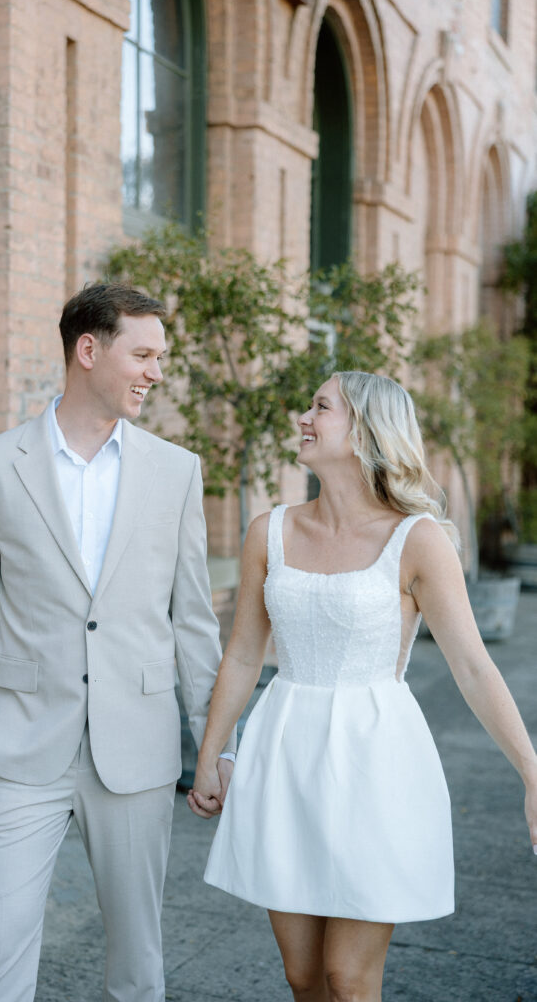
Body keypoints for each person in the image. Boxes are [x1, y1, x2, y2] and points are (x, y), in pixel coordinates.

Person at [187, 370, 537, 1002]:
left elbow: (474, 667)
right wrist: (212, 752)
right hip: (283, 754)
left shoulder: (418, 540)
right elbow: (242, 654)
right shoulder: (269, 530)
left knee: (348, 978)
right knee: (302, 976)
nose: (303, 416)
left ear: (364, 434)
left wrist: (533, 770)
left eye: (321, 407)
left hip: (376, 763)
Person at [0, 282, 236, 1002]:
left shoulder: (176, 471)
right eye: (142, 354)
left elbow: (193, 620)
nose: (154, 373)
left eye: (158, 357)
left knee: (137, 964)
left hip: (135, 748)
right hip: (15, 747)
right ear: (87, 349)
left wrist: (213, 744)